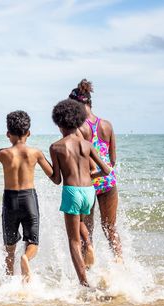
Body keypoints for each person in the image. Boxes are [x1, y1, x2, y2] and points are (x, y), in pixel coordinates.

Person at [0, 111, 53, 282]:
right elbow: (55, 178)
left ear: (7, 134)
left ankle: (9, 284)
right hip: (29, 200)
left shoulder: (2, 154)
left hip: (10, 201)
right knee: (33, 242)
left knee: (10, 248)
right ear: (28, 133)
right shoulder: (36, 153)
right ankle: (26, 258)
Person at [49, 99, 111, 287]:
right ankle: (90, 245)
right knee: (82, 223)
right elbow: (106, 170)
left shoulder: (56, 147)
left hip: (72, 191)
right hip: (89, 192)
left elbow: (57, 179)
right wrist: (88, 175)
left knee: (73, 241)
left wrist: (45, 166)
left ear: (59, 124)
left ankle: (84, 284)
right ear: (78, 122)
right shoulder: (86, 144)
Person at [72, 79, 123, 261]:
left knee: (87, 230)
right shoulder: (107, 125)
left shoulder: (79, 128)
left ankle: (89, 269)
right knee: (110, 228)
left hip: (89, 182)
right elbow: (113, 160)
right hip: (108, 181)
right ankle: (120, 263)